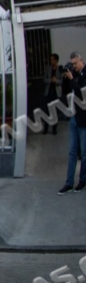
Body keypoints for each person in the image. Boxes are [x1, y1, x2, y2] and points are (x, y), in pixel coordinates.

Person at [59, 52, 86, 195]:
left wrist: (73, 79)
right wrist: (67, 78)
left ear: (81, 61)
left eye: (76, 63)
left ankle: (82, 180)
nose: (74, 66)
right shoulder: (74, 73)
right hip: (74, 117)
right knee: (71, 152)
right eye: (72, 64)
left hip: (84, 119)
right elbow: (66, 90)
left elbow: (82, 93)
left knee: (84, 152)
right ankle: (69, 183)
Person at [43, 53, 64, 135]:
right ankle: (46, 128)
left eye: (52, 59)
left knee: (55, 111)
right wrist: (50, 81)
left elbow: (62, 81)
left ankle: (54, 129)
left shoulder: (60, 69)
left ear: (56, 60)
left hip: (56, 93)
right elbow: (44, 79)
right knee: (47, 111)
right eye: (50, 59)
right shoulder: (48, 69)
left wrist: (56, 81)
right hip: (48, 93)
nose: (51, 61)